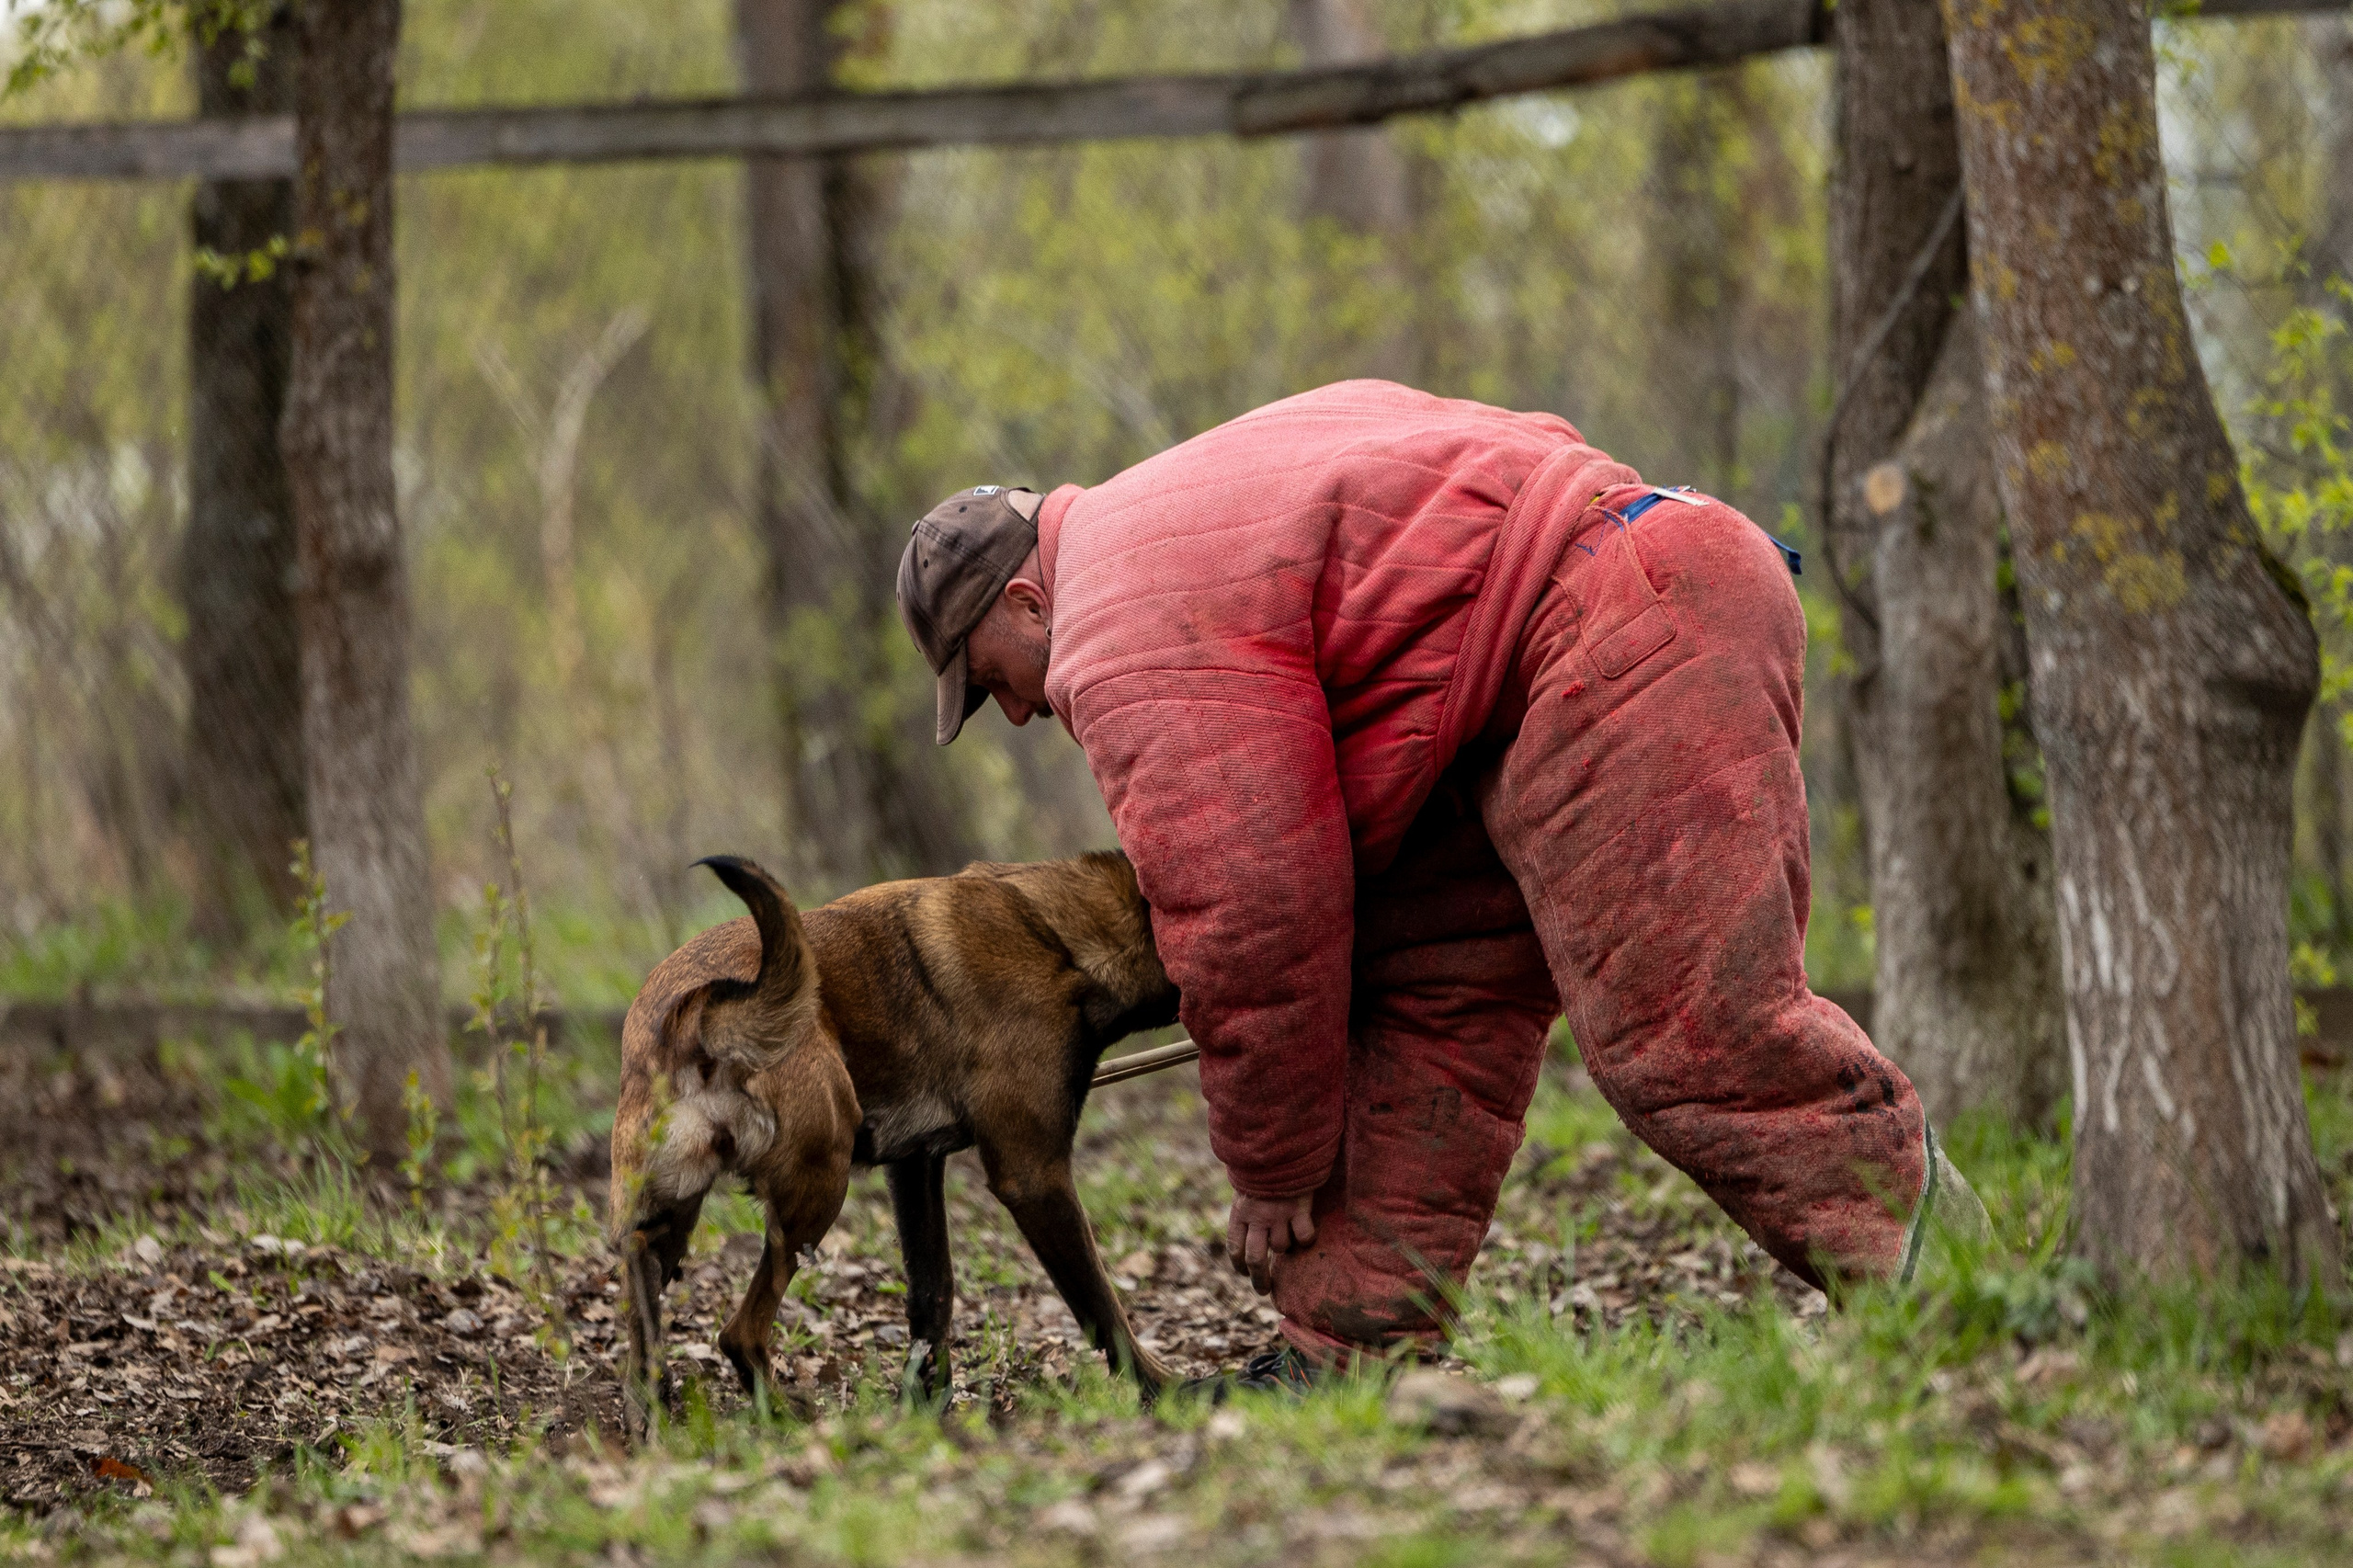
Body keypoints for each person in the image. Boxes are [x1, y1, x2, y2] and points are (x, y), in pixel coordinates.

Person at [895, 381, 1984, 1386]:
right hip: (1541, 662)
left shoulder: (1115, 620)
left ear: (1029, 602)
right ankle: (1346, 1350)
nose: (1026, 712)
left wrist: (1270, 1165)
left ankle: (1971, 1301)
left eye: (994, 681)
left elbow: (1250, 911)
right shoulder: (1170, 507)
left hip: (1624, 616)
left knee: (1693, 1032)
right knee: (1425, 991)